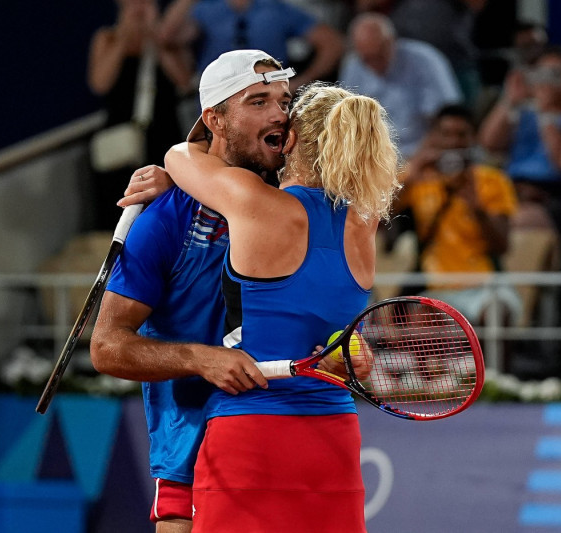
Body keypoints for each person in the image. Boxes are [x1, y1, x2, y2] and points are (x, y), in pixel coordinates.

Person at [161, 80, 400, 530]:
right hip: (334, 440)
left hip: (251, 435)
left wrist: (168, 176)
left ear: (289, 140)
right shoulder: (364, 225)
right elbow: (343, 339)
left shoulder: (251, 201)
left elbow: (179, 156)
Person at [90, 49, 297, 533]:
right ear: (215, 119)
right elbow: (106, 347)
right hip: (194, 459)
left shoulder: (296, 205)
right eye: (258, 101)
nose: (280, 115)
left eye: (285, 101)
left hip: (287, 440)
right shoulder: (164, 218)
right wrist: (201, 359)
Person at [394, 104, 521, 330]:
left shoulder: (493, 181)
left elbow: (502, 246)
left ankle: (493, 367)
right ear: (434, 138)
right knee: (419, 321)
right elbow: (379, 214)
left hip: (486, 285)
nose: (453, 142)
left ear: (473, 138)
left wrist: (478, 210)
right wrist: (413, 171)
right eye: (446, 134)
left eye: (461, 135)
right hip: (437, 288)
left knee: (497, 313)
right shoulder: (418, 178)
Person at [87, 0, 191, 231]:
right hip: (122, 137)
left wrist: (157, 37)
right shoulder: (108, 38)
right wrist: (124, 35)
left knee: (164, 210)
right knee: (119, 210)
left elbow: (184, 81)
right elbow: (99, 83)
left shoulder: (168, 41)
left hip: (164, 134)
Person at [339, 12, 462, 160]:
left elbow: (447, 121)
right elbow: (349, 123)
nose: (374, 65)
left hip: (424, 153)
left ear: (392, 42)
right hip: (375, 158)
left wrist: (414, 164)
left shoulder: (425, 60)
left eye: (378, 57)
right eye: (367, 59)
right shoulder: (353, 65)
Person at [159, 0, 345, 92]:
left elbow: (333, 44)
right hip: (218, 98)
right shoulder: (206, 10)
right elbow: (167, 38)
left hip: (270, 96)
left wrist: (299, 83)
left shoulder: (274, 9)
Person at [480, 47, 561, 205]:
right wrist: (509, 99)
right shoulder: (523, 113)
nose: (547, 81)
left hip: (554, 190)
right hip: (514, 184)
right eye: (541, 73)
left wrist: (545, 111)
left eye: (555, 74)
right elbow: (489, 143)